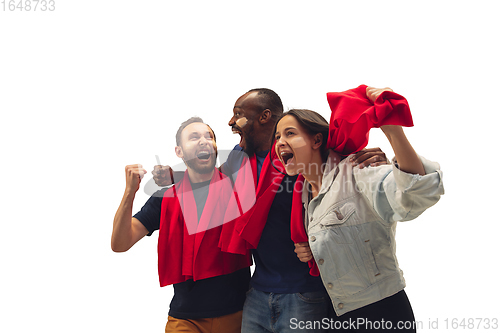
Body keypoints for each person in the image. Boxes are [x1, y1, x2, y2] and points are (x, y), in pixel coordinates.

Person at [153, 89, 389, 332]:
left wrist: (368, 160)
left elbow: (341, 190)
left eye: (239, 114)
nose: (231, 122)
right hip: (257, 293)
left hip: (304, 292)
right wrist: (175, 174)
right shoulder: (240, 158)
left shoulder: (301, 159)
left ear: (264, 116)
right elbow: (215, 177)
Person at [274, 86, 444, 332]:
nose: (281, 142)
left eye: (289, 133)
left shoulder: (357, 170)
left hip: (382, 312)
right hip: (337, 314)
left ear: (316, 140)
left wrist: (392, 130)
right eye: (278, 137)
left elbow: (416, 194)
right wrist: (314, 249)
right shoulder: (301, 194)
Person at [112, 117, 251, 333]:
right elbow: (120, 243)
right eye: (194, 137)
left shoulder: (236, 186)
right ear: (179, 152)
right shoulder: (164, 199)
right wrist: (130, 193)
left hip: (239, 315)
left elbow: (252, 143)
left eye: (209, 137)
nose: (204, 141)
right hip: (186, 320)